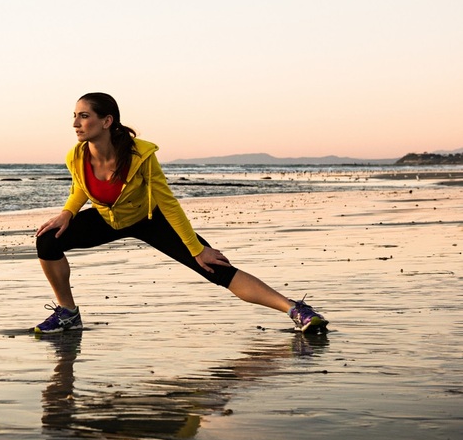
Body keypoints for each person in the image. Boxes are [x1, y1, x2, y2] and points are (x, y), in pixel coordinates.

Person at [34, 92, 328, 334]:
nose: (75, 123)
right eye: (74, 116)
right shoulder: (76, 155)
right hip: (108, 219)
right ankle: (68, 313)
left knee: (214, 267)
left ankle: (295, 309)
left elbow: (168, 203)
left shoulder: (140, 155)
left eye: (84, 115)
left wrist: (196, 248)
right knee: (48, 240)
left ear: (107, 121)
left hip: (149, 219)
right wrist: (68, 213)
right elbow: (81, 189)